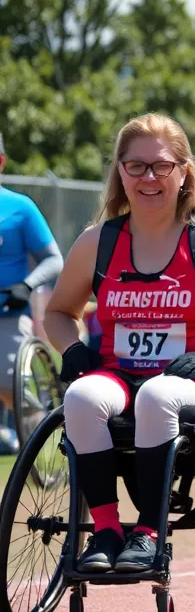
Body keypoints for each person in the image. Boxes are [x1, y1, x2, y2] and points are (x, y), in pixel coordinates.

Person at [42, 113, 195, 572]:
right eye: (135, 166)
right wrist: (72, 347)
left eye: (161, 165)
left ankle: (149, 532)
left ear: (183, 172)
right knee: (79, 396)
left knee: (158, 395)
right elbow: (58, 313)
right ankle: (106, 531)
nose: (148, 177)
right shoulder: (97, 242)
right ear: (120, 172)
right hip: (119, 375)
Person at [0, 132, 64, 452]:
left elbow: (54, 260)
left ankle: (43, 434)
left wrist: (26, 285)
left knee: (8, 383)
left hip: (8, 317)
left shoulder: (20, 208)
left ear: (1, 162)